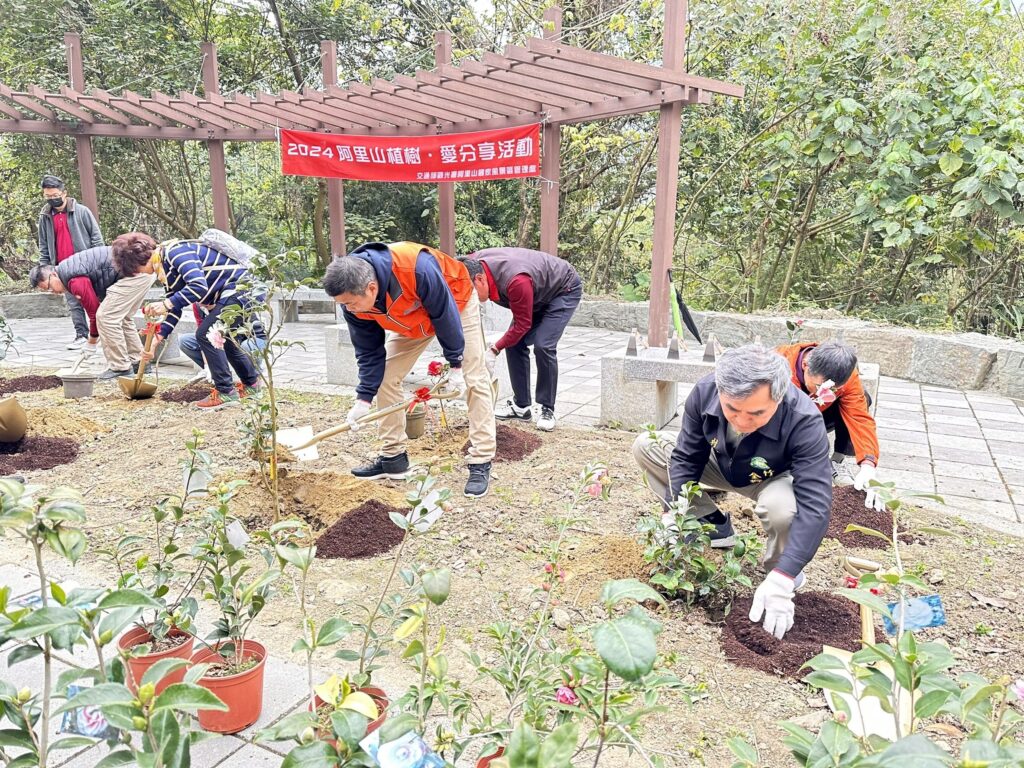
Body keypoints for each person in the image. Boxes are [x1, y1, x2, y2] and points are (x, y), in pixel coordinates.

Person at [632, 345, 833, 640]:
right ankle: (711, 523)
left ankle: (778, 568)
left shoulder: (804, 420)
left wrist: (785, 575)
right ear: (720, 391)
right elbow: (687, 456)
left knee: (783, 510)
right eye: (732, 409)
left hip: (770, 477)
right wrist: (673, 513)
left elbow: (816, 504)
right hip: (721, 462)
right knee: (648, 446)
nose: (741, 420)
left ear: (778, 397)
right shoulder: (704, 392)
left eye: (756, 413)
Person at [324, 242, 495, 498]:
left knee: (474, 377)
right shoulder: (352, 302)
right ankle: (393, 458)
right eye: (343, 304)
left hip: (455, 302)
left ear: (371, 288)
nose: (348, 309)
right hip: (413, 319)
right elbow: (369, 352)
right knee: (385, 377)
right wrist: (364, 398)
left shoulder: (417, 268)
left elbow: (445, 314)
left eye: (350, 303)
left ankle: (480, 459)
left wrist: (456, 364)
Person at [110, 232, 260, 411]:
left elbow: (198, 286)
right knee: (224, 339)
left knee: (206, 334)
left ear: (136, 262)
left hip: (241, 289)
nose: (136, 274)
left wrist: (166, 303)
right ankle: (251, 385)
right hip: (237, 293)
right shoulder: (165, 268)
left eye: (133, 271)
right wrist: (158, 338)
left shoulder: (176, 253)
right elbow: (175, 307)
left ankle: (225, 391)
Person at [459, 249, 582, 432]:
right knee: (514, 343)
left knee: (543, 345)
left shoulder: (515, 281)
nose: (470, 297)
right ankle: (521, 406)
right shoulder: (470, 264)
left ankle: (546, 408)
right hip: (535, 290)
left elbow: (523, 325)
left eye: (471, 292)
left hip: (562, 289)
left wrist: (493, 350)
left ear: (480, 279)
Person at [777, 340, 882, 510]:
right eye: (820, 386)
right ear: (805, 365)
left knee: (863, 398)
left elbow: (859, 418)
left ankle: (837, 462)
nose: (824, 392)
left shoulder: (847, 376)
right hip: (780, 417)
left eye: (833, 389)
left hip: (820, 414)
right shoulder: (779, 364)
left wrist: (868, 463)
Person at [36, 175, 104, 350]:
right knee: (74, 303)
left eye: (55, 195)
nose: (52, 199)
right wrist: (46, 267)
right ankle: (81, 335)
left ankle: (103, 333)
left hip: (86, 264)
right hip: (61, 267)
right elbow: (44, 245)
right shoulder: (45, 217)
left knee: (97, 299)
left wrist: (98, 261)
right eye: (48, 196)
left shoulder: (81, 211)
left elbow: (96, 238)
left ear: (64, 193)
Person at [29, 246, 115, 358]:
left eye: (49, 287)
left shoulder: (74, 280)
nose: (53, 292)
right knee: (118, 318)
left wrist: (92, 342)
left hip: (131, 269)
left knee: (107, 317)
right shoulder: (66, 272)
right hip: (128, 269)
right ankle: (135, 360)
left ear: (53, 275)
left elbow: (95, 313)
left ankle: (120, 366)